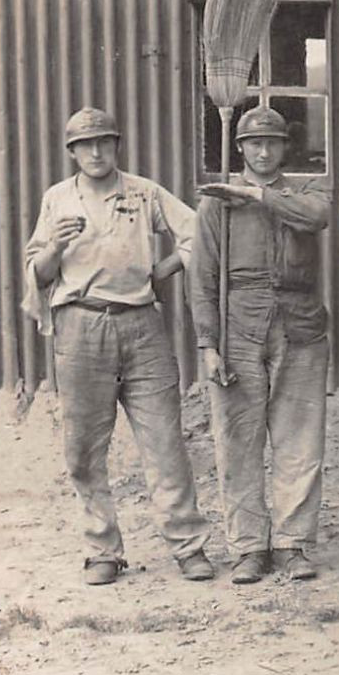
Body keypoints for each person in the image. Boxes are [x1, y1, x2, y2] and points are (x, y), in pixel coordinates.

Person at [22, 107, 214, 585]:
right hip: (81, 326)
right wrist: (55, 249)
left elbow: (199, 232)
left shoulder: (143, 192)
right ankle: (102, 549)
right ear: (71, 152)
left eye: (104, 141)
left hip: (142, 324)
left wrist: (163, 269)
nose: (95, 151)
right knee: (84, 449)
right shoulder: (57, 199)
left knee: (165, 442)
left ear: (116, 145)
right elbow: (39, 275)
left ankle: (188, 546)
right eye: (85, 144)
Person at [191, 106, 332, 584]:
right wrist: (208, 343)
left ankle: (293, 544)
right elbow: (202, 279)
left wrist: (257, 195)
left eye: (272, 142)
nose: (264, 150)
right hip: (239, 326)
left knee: (300, 439)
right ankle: (249, 546)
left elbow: (316, 219)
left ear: (285, 147)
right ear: (241, 148)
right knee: (238, 440)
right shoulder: (216, 205)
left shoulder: (307, 190)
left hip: (301, 323)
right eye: (255, 143)